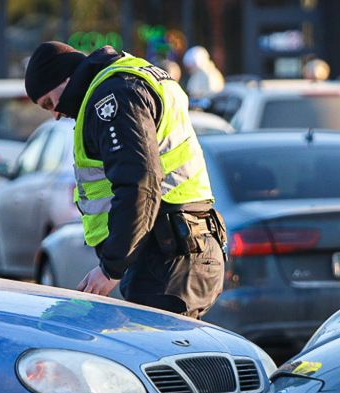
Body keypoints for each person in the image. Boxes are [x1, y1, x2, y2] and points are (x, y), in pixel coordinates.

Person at [23, 41, 225, 318]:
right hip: (175, 248)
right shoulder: (126, 81)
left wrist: (111, 268)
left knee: (155, 356)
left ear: (65, 79)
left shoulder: (113, 95)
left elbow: (139, 181)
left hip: (170, 254)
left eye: (49, 103)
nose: (56, 114)